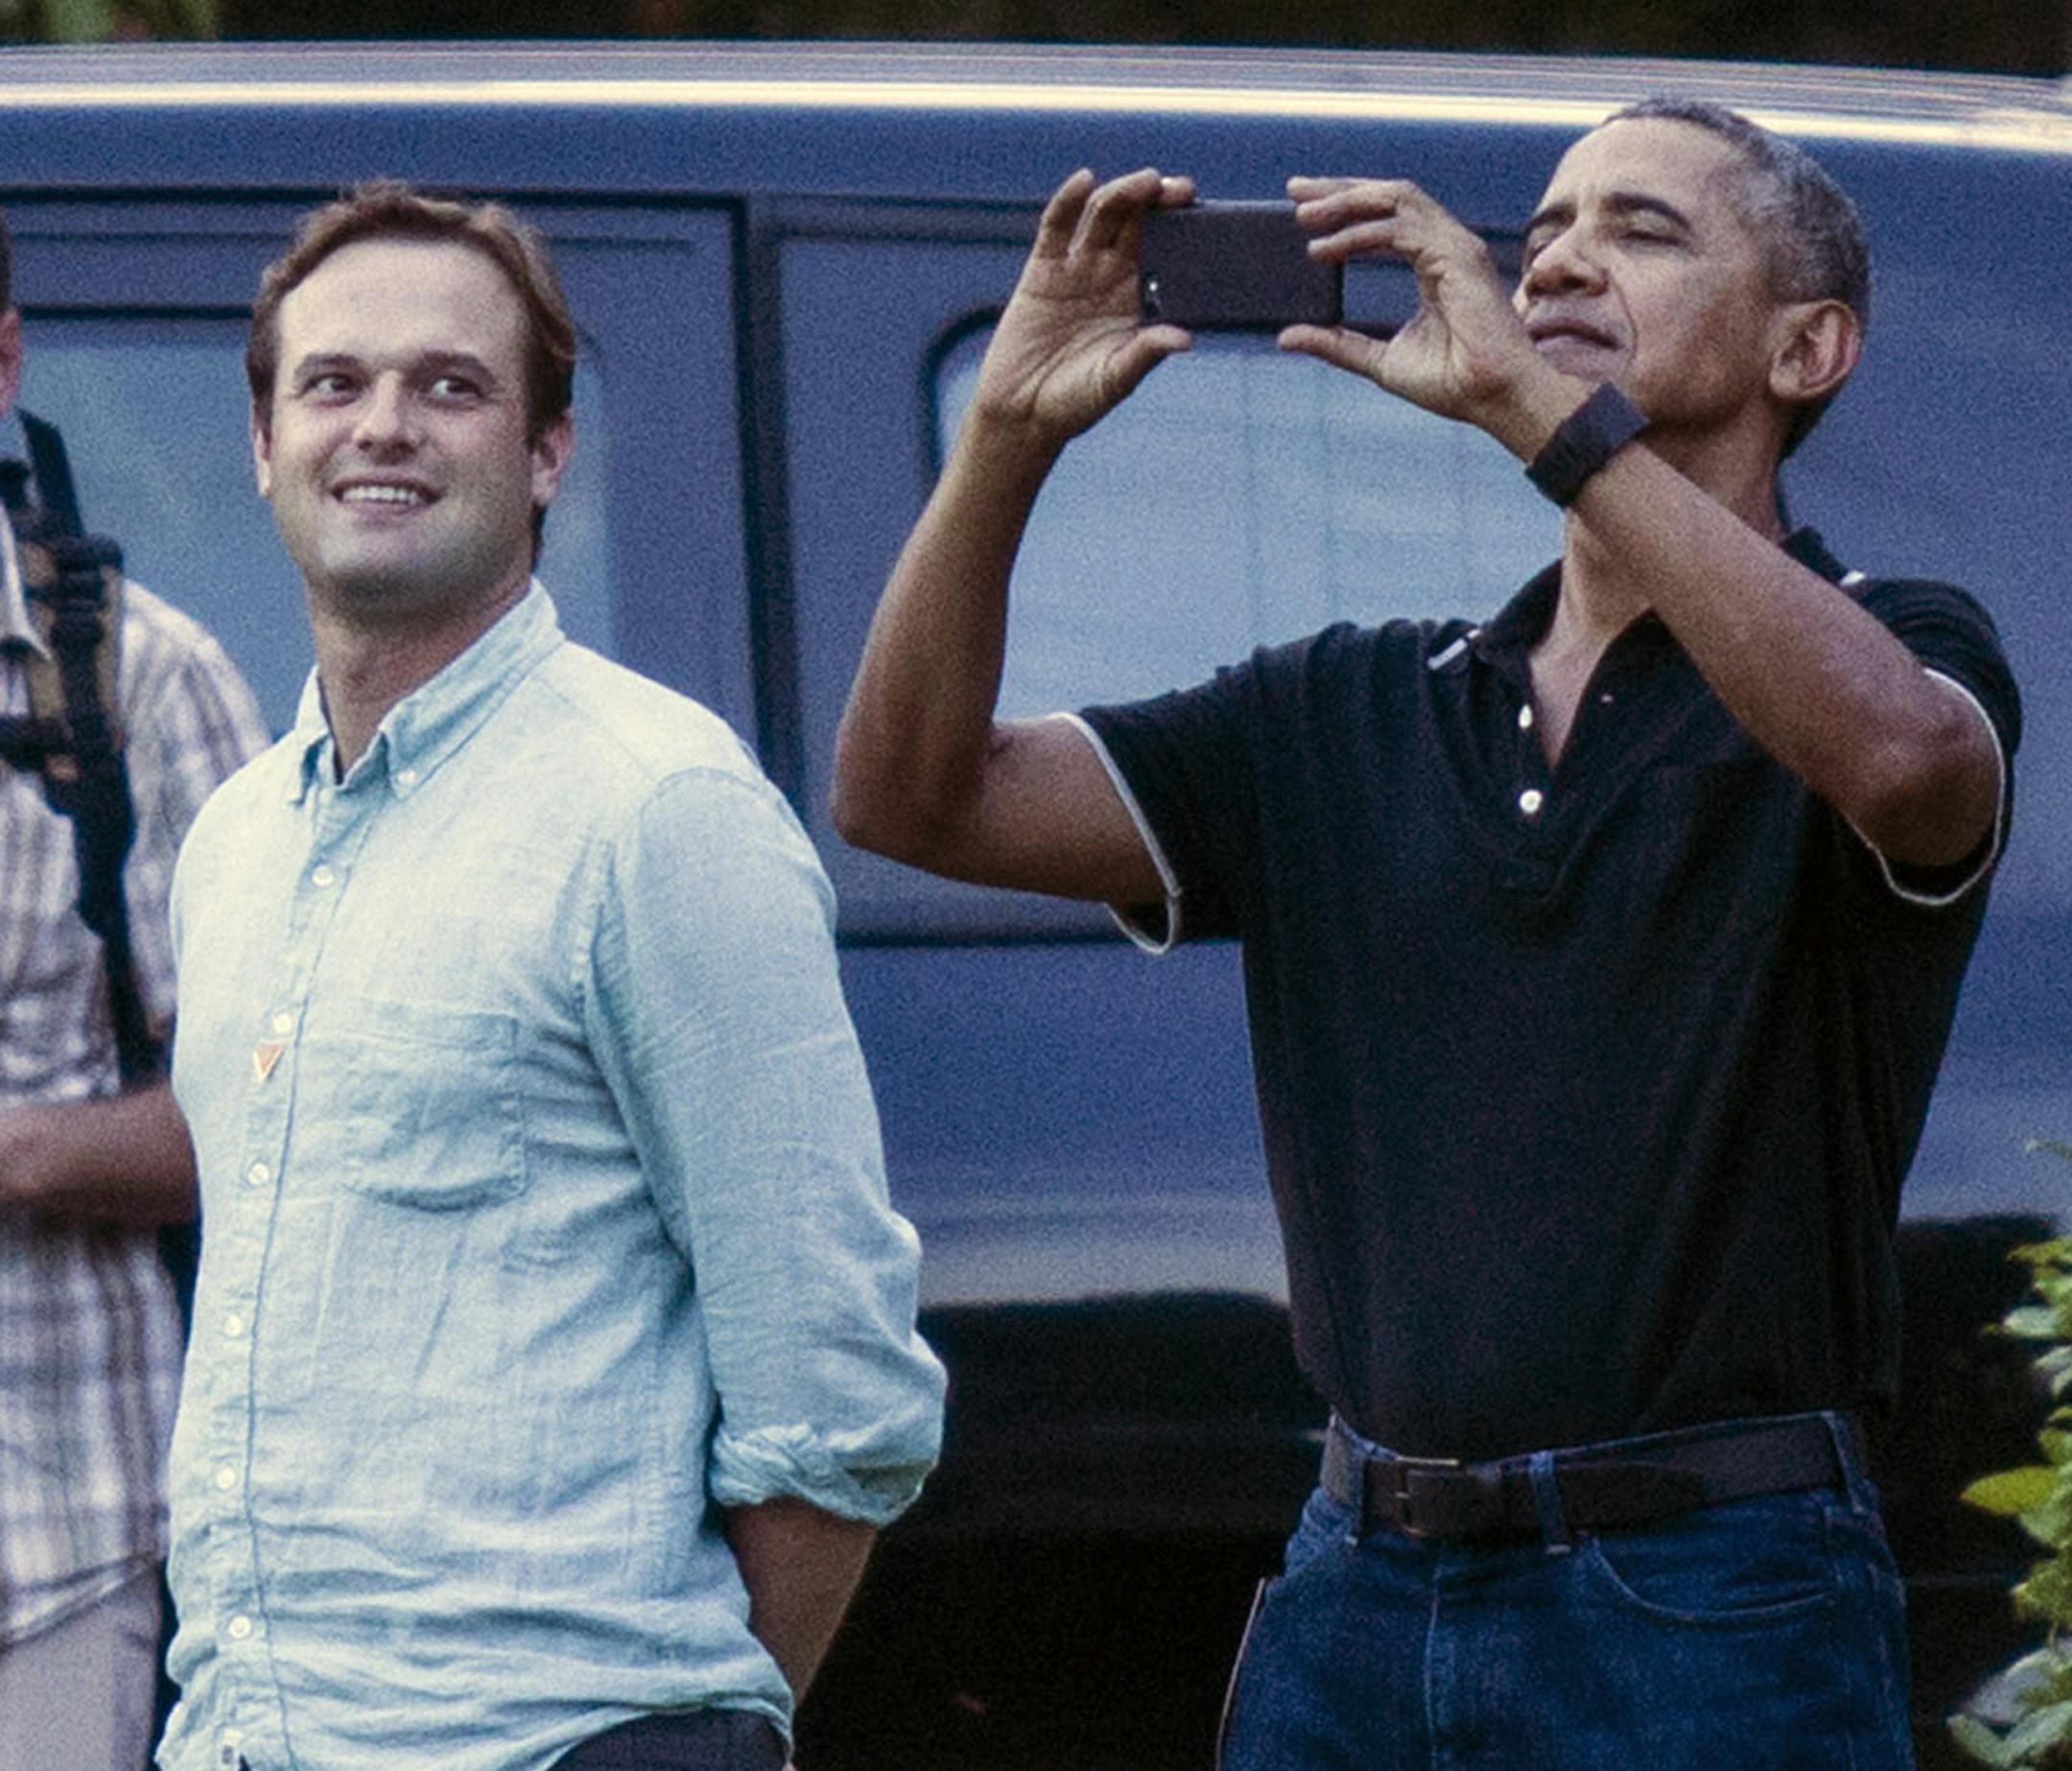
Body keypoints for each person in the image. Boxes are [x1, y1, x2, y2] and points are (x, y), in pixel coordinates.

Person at [833, 99, 2018, 1769]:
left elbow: (1905, 761)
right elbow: (910, 797)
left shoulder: (1895, 646)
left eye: (1643, 230)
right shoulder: (1350, 704)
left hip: (1717, 1603)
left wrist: (1540, 413)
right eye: (1548, 231)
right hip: (1360, 1594)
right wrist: (1007, 438)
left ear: (1805, 348)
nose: (1561, 261)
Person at [158, 180, 944, 1771]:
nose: (383, 424)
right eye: (333, 381)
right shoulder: (232, 844)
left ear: (545, 454)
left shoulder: (658, 810)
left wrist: (667, 1728)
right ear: (263, 443)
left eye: (450, 385)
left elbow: (835, 1396)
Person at [0, 209, 271, 1770]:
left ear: (5, 360)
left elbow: (281, 1111)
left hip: (46, 1548)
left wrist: (16, 1148)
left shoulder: (142, 685)